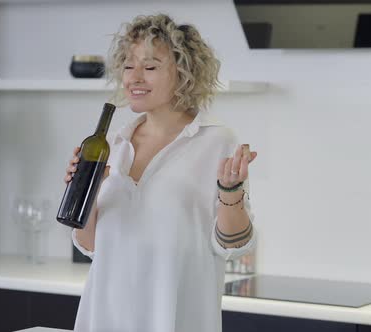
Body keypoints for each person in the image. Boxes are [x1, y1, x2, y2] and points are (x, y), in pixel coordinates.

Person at [64, 13, 258, 332]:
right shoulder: (113, 142)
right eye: (128, 66)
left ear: (185, 74)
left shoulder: (216, 140)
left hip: (176, 319)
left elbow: (233, 245)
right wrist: (83, 194)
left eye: (150, 67)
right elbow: (91, 245)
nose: (134, 77)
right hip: (104, 318)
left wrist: (230, 193)